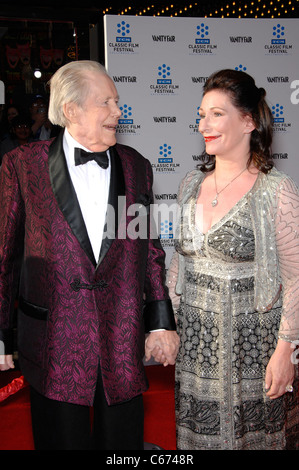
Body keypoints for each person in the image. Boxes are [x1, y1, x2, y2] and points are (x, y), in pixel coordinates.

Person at [0, 60, 179, 450]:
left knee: (123, 447)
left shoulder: (135, 167)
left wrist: (161, 322)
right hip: (53, 341)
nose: (119, 112)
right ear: (71, 110)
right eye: (107, 103)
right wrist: (1, 335)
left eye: (118, 102)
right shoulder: (22, 165)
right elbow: (5, 257)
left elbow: (148, 251)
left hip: (121, 337)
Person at [167, 69, 299, 450]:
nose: (203, 124)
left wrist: (285, 350)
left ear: (248, 121)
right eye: (201, 114)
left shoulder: (276, 189)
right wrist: (168, 326)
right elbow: (180, 265)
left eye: (216, 114)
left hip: (254, 353)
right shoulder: (191, 183)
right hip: (196, 353)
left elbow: (295, 278)